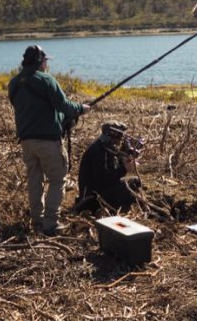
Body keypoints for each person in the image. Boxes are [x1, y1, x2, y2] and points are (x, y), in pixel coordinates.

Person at [8, 45, 91, 236]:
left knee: (35, 179)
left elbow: (33, 109)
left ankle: (37, 220)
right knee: (57, 179)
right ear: (40, 61)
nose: (47, 64)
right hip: (48, 141)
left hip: (26, 142)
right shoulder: (46, 80)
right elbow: (63, 105)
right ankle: (50, 223)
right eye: (45, 61)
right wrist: (80, 109)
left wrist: (61, 118)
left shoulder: (13, 83)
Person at [75, 121, 142, 213]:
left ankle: (119, 208)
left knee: (135, 181)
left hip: (99, 192)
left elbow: (111, 172)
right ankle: (115, 210)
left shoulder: (105, 147)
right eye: (119, 135)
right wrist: (124, 168)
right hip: (93, 200)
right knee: (133, 183)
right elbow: (104, 180)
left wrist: (123, 161)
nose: (121, 139)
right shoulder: (97, 151)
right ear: (112, 135)